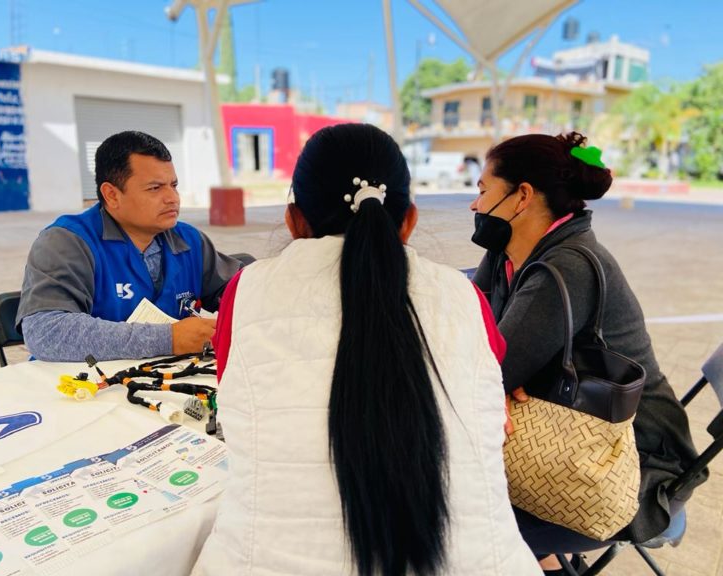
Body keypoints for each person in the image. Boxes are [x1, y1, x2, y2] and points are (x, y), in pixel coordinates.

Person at [191, 123, 541, 576]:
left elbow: (234, 394)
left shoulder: (247, 291)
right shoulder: (463, 297)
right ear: (409, 219)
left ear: (294, 220)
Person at [470, 132, 704, 574]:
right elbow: (470, 328)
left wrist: (505, 378)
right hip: (568, 438)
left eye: (482, 190)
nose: (474, 205)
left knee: (467, 521)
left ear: (521, 197)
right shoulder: (508, 252)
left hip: (627, 469)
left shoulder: (568, 266)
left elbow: (486, 374)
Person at [17, 130, 243, 362]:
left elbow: (242, 293)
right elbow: (45, 332)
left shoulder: (189, 241)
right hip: (77, 388)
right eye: (155, 188)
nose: (172, 198)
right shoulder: (67, 242)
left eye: (173, 185)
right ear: (112, 195)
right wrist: (170, 338)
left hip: (159, 381)